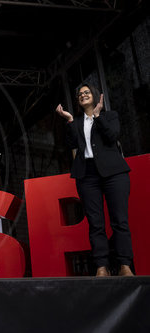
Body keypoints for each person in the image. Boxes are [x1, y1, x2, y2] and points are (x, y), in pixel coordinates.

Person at [55, 83, 134, 277]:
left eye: (86, 92)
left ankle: (125, 265)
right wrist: (70, 120)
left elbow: (112, 136)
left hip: (114, 174)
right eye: (80, 94)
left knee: (120, 221)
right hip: (87, 175)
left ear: (95, 95)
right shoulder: (78, 121)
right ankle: (101, 267)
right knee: (95, 223)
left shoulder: (109, 116)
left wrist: (98, 116)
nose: (82, 95)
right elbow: (72, 144)